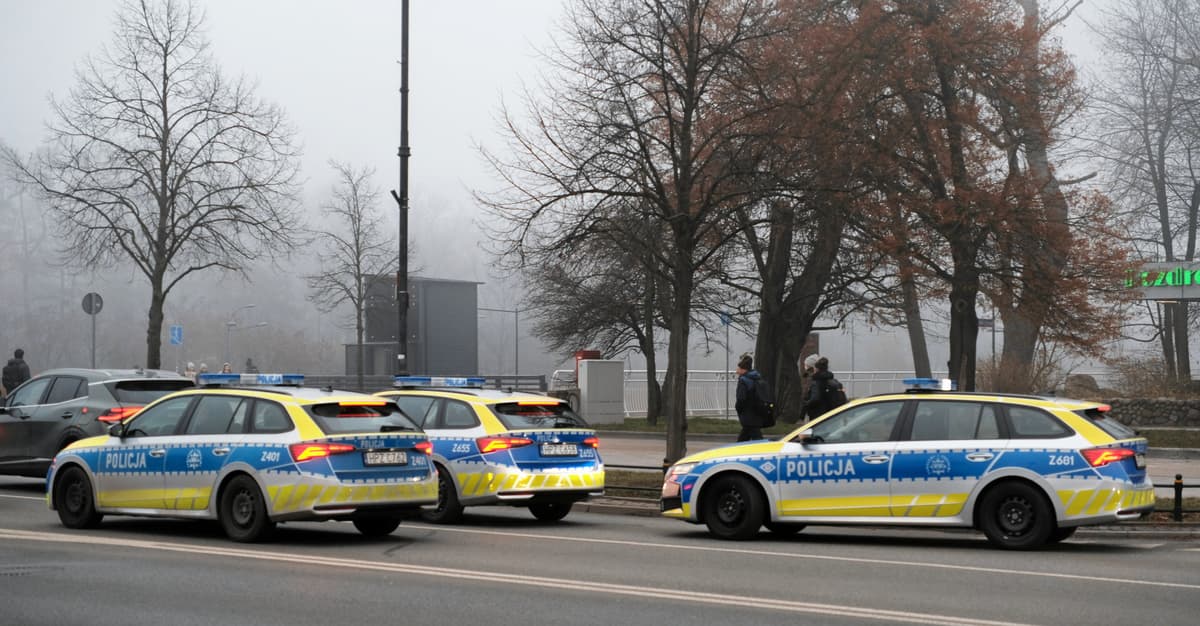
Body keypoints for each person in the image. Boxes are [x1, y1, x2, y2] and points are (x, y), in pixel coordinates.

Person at [733, 354, 768, 442]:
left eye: (738, 368)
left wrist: (738, 408)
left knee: (756, 439)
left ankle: (765, 453)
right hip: (757, 411)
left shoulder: (743, 380)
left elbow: (741, 398)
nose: (736, 370)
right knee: (745, 436)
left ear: (743, 369)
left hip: (748, 414)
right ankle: (738, 451)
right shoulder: (756, 377)